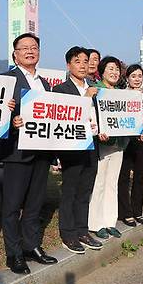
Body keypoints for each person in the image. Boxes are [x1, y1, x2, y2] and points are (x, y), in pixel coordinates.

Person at [0, 33, 57, 275]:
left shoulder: (44, 84)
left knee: (35, 203)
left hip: (41, 152)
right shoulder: (5, 80)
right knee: (12, 205)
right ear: (15, 54)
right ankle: (13, 253)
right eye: (24, 48)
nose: (29, 51)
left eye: (34, 47)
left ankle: (32, 246)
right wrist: (11, 121)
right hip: (16, 151)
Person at [53, 46, 102, 254]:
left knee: (85, 190)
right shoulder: (61, 90)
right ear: (68, 65)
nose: (82, 65)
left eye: (85, 61)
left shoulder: (95, 88)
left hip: (93, 145)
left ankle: (82, 230)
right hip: (72, 148)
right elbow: (66, 116)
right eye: (77, 61)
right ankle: (68, 233)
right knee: (70, 191)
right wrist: (87, 98)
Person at [88, 56, 127, 239]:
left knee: (112, 184)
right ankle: (96, 224)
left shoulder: (122, 93)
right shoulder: (95, 90)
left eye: (117, 69)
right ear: (102, 71)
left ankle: (110, 222)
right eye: (110, 68)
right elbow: (88, 114)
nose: (114, 72)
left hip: (119, 144)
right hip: (102, 145)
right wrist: (99, 131)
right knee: (100, 183)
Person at [117, 64, 143, 227]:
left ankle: (137, 212)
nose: (137, 79)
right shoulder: (121, 95)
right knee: (123, 176)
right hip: (126, 140)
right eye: (133, 76)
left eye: (140, 76)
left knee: (140, 177)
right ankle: (125, 213)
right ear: (127, 78)